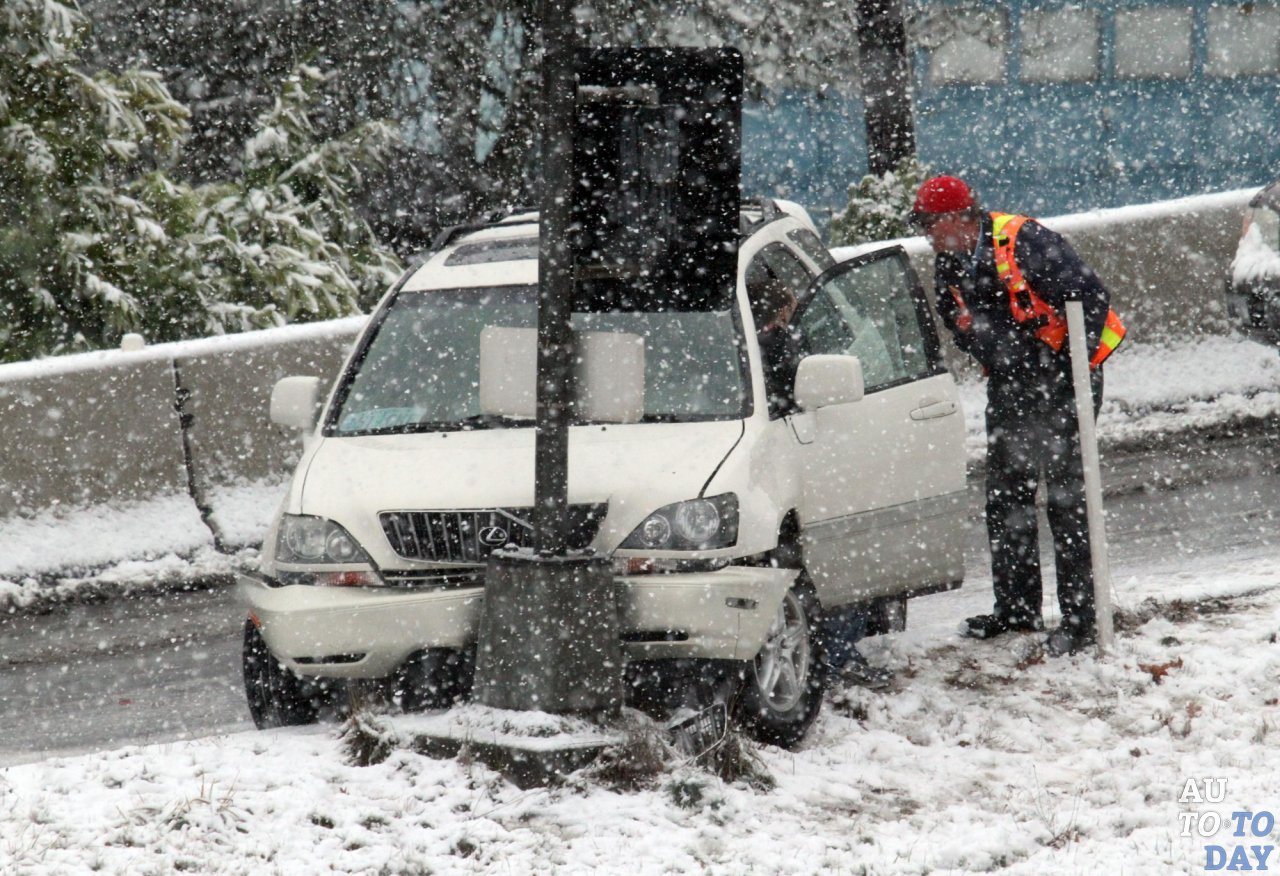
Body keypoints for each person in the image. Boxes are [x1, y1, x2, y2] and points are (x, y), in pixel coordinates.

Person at [910, 175, 1126, 657]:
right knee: (1007, 497)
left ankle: (1082, 619)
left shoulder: (1024, 239)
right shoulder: (950, 260)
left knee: (1068, 501)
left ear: (954, 219)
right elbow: (955, 315)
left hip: (1067, 376)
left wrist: (1056, 365)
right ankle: (1016, 609)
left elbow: (1090, 300)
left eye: (930, 224)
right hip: (1015, 383)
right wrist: (999, 351)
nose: (928, 235)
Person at [748, 274, 892, 688]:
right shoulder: (782, 346)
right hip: (805, 461)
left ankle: (830, 651)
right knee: (841, 559)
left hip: (781, 466)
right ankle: (840, 653)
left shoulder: (746, 347)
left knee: (811, 566)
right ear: (785, 307)